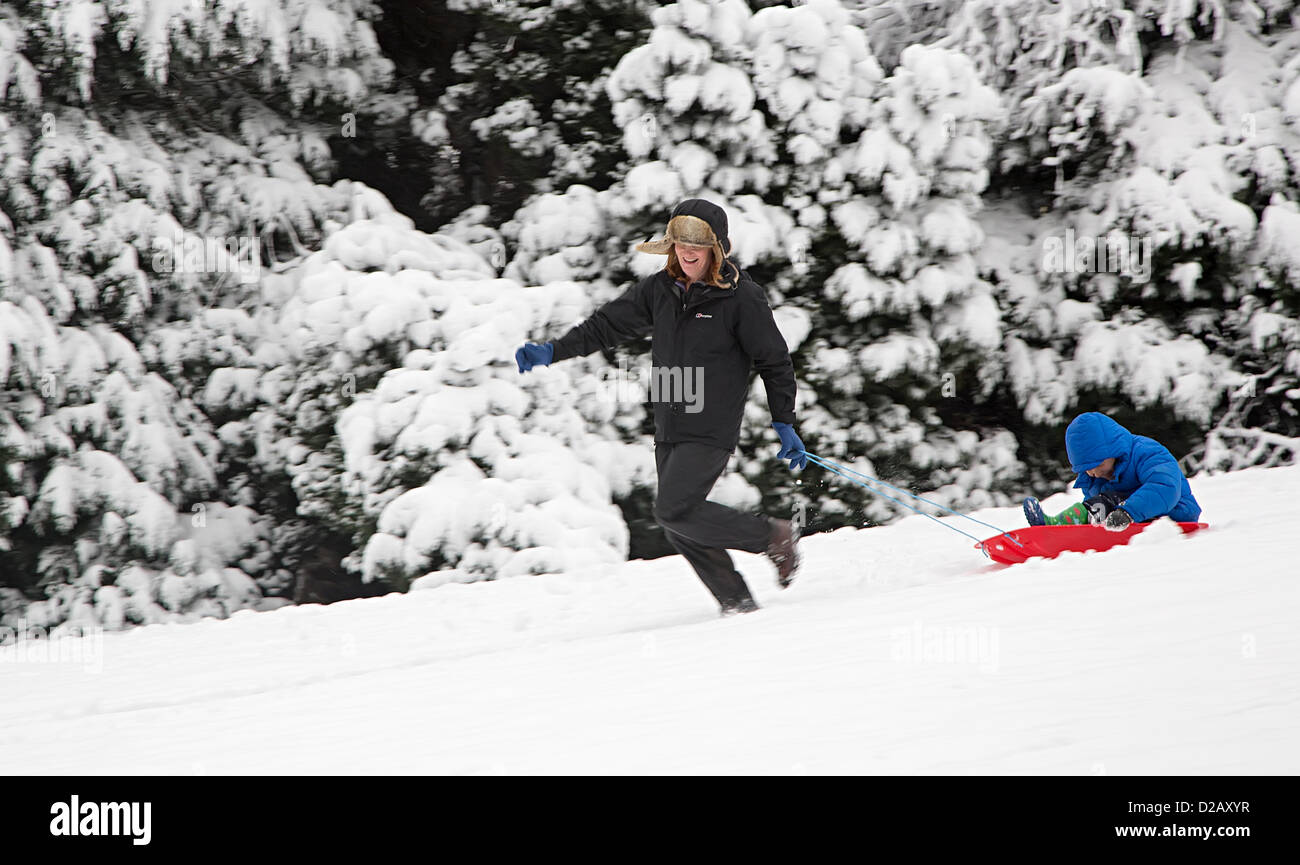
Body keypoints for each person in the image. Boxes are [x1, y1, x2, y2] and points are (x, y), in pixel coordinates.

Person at [514, 198, 804, 615]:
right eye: (680, 244)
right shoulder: (660, 289)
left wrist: (784, 421)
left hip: (711, 423)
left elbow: (774, 361)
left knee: (674, 509)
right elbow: (607, 325)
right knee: (678, 523)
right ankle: (737, 604)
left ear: (716, 250)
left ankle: (773, 537)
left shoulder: (742, 298)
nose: (687, 253)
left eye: (698, 246)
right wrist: (553, 351)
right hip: (670, 420)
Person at [1023, 412, 1202, 531]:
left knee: (1105, 502)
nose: (1091, 473)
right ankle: (1054, 528)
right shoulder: (1095, 478)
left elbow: (1165, 487)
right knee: (1097, 506)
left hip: (1175, 513)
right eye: (1085, 469)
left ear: (1111, 451)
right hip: (1130, 519)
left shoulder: (1147, 452)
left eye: (1096, 464)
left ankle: (1057, 526)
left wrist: (1128, 512)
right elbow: (1093, 508)